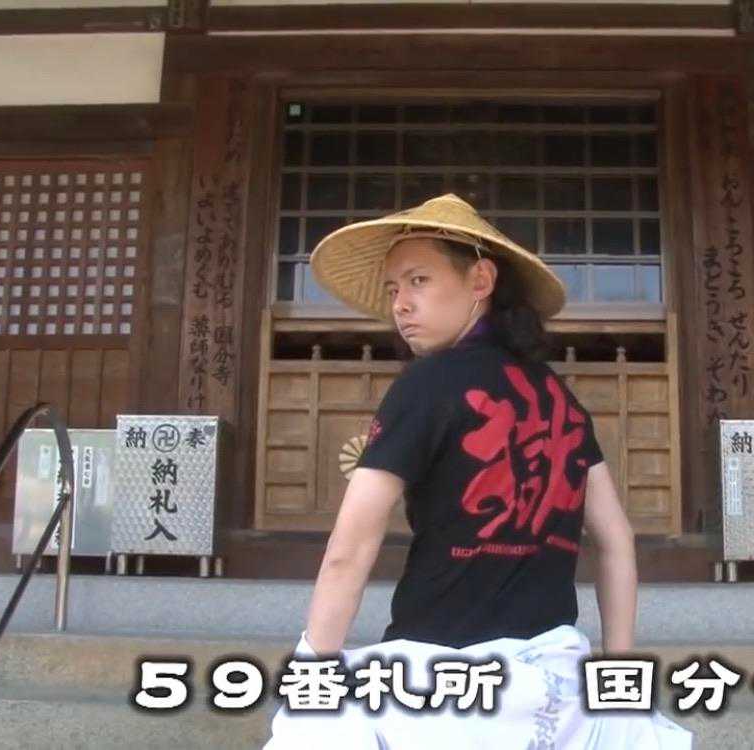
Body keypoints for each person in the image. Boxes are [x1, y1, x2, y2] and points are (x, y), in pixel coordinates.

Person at [262, 194, 692, 748]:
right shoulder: (560, 399)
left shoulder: (426, 386)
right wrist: (617, 672)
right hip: (554, 689)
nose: (400, 304)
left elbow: (349, 549)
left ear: (481, 280)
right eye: (393, 289)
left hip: (441, 684)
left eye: (418, 281)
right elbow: (615, 539)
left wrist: (314, 671)